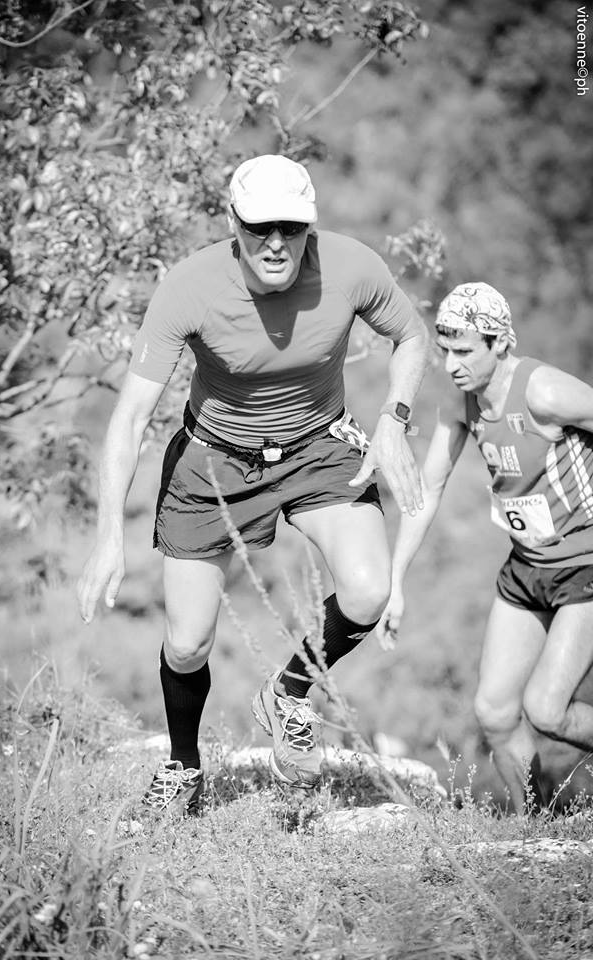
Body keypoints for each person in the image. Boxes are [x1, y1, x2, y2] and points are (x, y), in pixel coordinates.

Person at [77, 154, 428, 812]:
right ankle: (183, 767)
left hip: (318, 444)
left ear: (309, 227)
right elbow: (129, 419)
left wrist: (393, 419)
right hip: (213, 460)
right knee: (188, 643)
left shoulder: (350, 266)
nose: (275, 243)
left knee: (368, 590)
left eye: (291, 227)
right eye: (259, 226)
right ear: (232, 222)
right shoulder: (191, 287)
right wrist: (107, 539)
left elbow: (411, 336)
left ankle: (288, 691)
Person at [380, 281, 593, 813]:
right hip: (526, 568)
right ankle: (536, 827)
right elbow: (427, 490)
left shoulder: (545, 393)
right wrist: (395, 582)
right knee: (495, 713)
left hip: (584, 566)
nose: (451, 365)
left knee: (546, 709)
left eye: (464, 351)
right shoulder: (460, 404)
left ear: (499, 343)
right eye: (445, 351)